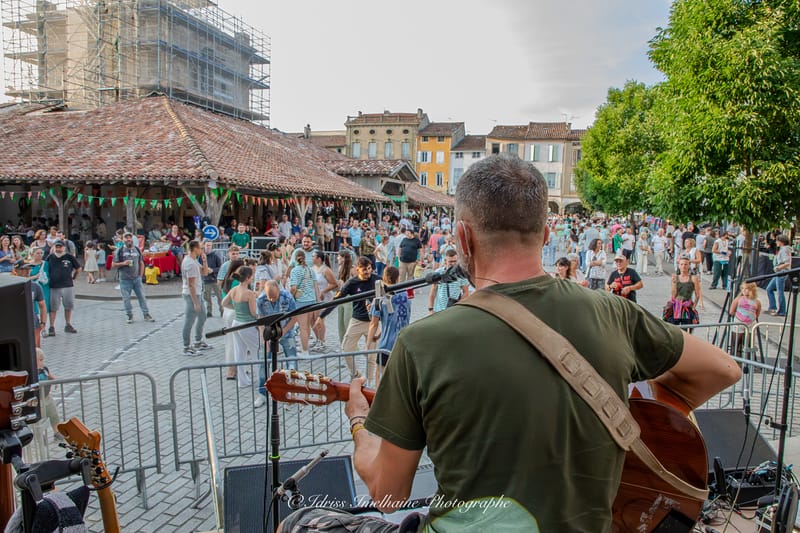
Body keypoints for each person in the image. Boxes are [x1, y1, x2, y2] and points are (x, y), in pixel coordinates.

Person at [280, 155, 741, 532]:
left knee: (298, 523)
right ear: (545, 234)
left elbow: (387, 495)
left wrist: (361, 422)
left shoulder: (424, 343)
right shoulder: (613, 312)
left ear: (462, 236)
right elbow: (722, 370)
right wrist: (646, 417)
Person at [367, 266, 410, 386]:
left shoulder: (380, 299)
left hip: (386, 345)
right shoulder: (405, 295)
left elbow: (373, 324)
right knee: (400, 377)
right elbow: (397, 318)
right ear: (397, 278)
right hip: (403, 342)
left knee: (380, 376)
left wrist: (368, 344)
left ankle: (377, 401)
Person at [221, 266, 258, 388]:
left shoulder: (234, 290)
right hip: (247, 324)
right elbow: (253, 313)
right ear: (248, 278)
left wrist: (235, 309)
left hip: (236, 322)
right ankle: (260, 377)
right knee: (256, 351)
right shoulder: (249, 293)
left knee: (239, 351)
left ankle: (242, 381)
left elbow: (224, 303)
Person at [111, 231, 154, 324]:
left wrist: (140, 275)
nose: (129, 239)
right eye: (126, 238)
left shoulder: (137, 250)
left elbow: (141, 262)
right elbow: (113, 264)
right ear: (123, 240)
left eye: (130, 238)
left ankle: (146, 314)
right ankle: (129, 315)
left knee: (142, 297)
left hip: (136, 279)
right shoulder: (120, 250)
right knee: (126, 298)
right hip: (124, 279)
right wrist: (123, 263)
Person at [44, 239, 81, 335]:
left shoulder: (69, 257)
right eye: (57, 246)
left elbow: (78, 268)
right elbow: (45, 268)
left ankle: (68, 324)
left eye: (60, 246)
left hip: (68, 285)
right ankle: (51, 327)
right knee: (53, 308)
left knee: (68, 306)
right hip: (54, 286)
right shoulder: (50, 257)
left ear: (64, 247)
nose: (58, 248)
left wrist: (74, 276)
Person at [181, 240, 210, 355]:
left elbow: (205, 272)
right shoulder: (190, 263)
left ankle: (198, 341)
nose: (202, 250)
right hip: (191, 294)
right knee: (189, 320)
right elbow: (191, 284)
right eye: (201, 248)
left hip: (198, 293)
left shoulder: (194, 261)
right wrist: (195, 302)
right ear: (195, 249)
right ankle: (186, 346)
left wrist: (205, 260)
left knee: (202, 316)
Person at [288, 249, 318, 357]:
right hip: (311, 300)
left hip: (301, 301)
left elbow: (293, 288)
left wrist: (290, 297)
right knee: (307, 327)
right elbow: (315, 286)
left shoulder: (295, 271)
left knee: (302, 327)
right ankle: (305, 348)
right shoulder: (310, 270)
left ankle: (305, 351)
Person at [664, 256, 703, 326]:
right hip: (676, 305)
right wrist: (674, 283)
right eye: (681, 264)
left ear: (689, 266)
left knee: (687, 328)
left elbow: (697, 294)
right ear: (678, 266)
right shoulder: (676, 277)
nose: (683, 266)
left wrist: (694, 306)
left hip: (687, 305)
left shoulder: (694, 278)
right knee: (673, 327)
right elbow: (674, 294)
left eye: (685, 264)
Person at [427, 249, 469, 313]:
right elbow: (433, 291)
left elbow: (466, 292)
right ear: (445, 261)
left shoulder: (461, 274)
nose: (453, 264)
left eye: (455, 261)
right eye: (450, 261)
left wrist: (458, 305)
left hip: (454, 310)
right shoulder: (438, 272)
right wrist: (430, 309)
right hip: (439, 309)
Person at [36, 348, 63, 441]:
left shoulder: (44, 369)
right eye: (40, 360)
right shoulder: (33, 372)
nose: (42, 362)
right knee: (40, 418)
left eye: (42, 360)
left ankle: (56, 431)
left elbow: (51, 376)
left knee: (53, 414)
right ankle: (40, 434)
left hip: (47, 397)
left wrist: (55, 381)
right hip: (38, 399)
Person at [730, 282, 761, 359]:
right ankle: (734, 359)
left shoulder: (757, 301)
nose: (744, 290)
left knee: (749, 344)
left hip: (751, 323)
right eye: (743, 289)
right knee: (736, 343)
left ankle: (748, 362)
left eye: (746, 289)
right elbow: (731, 311)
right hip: (739, 322)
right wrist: (740, 316)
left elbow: (757, 313)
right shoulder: (738, 299)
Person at [766, 234, 792, 317]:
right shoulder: (783, 249)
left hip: (781, 272)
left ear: (781, 241)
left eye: (777, 241)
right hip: (780, 272)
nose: (776, 242)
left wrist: (778, 268)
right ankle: (773, 307)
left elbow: (787, 262)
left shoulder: (784, 250)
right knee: (769, 288)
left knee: (779, 291)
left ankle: (781, 311)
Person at [202, 241, 223, 317]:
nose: (208, 247)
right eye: (207, 245)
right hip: (206, 280)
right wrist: (204, 269)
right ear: (204, 245)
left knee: (220, 296)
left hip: (215, 280)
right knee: (207, 297)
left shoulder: (215, 255)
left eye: (210, 245)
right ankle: (209, 311)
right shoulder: (201, 256)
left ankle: (222, 310)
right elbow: (198, 266)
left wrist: (213, 270)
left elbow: (220, 267)